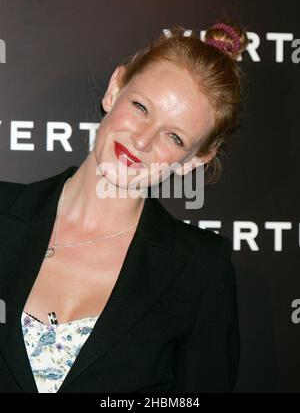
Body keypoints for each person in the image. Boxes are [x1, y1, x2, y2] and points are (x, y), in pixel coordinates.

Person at [0, 19, 249, 393]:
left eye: (174, 136)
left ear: (196, 159)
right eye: (141, 107)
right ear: (115, 89)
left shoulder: (200, 270)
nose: (143, 140)